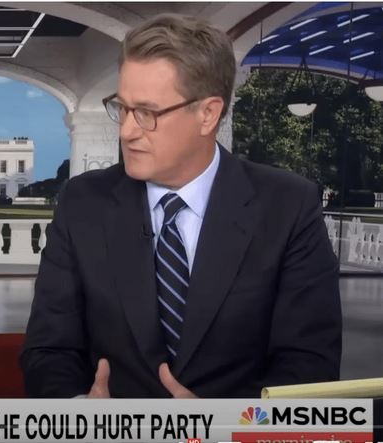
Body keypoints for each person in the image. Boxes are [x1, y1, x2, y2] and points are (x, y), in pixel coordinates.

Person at [20, 14, 341, 398]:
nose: (127, 131)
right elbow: (48, 350)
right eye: (122, 108)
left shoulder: (289, 208)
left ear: (208, 114)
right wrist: (79, 410)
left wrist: (220, 423)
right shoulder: (82, 204)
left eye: (147, 113)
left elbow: (309, 364)